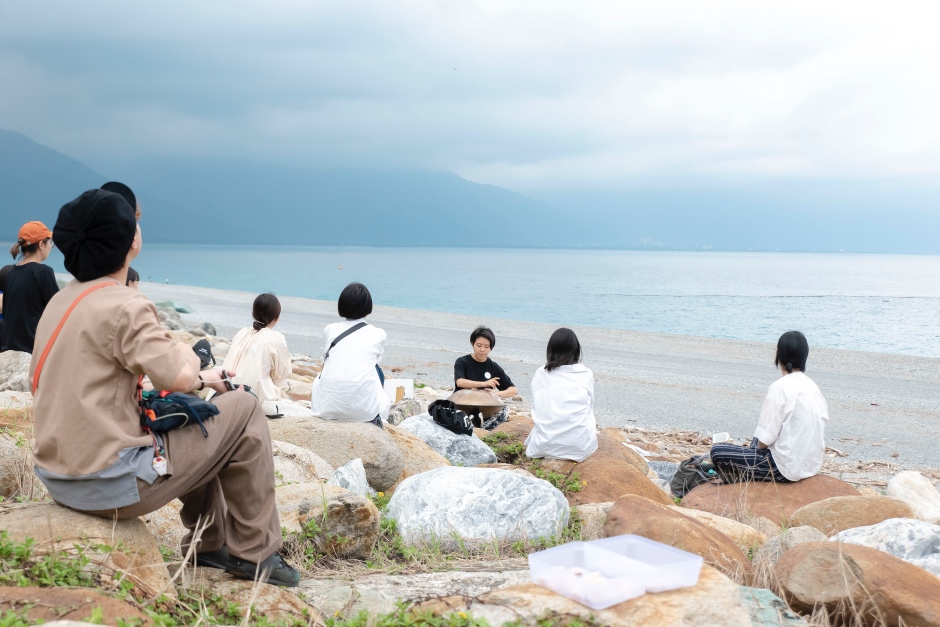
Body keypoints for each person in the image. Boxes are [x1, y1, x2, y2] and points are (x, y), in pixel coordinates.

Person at [29, 185, 299, 587]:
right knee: (241, 408)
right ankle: (256, 552)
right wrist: (193, 355)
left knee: (186, 409)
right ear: (130, 240)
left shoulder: (61, 300)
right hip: (108, 485)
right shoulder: (125, 304)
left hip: (57, 476)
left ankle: (209, 544)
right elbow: (182, 376)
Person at [710, 331, 828, 484]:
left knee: (718, 451)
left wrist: (755, 448)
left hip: (784, 469)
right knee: (755, 441)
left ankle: (739, 476)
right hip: (811, 465)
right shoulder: (812, 386)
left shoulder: (780, 387)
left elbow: (763, 442)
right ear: (804, 356)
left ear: (778, 352)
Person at [310, 282, 389, 426]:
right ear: (368, 308)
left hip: (327, 408)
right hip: (363, 411)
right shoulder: (378, 334)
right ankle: (376, 415)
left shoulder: (330, 329)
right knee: (376, 369)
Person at [222, 293, 309, 417]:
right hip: (255, 396)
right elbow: (280, 375)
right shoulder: (275, 338)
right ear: (276, 317)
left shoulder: (241, 332)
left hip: (226, 390)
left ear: (253, 312)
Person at [525, 328, 598, 462]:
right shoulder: (585, 373)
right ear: (576, 350)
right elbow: (589, 406)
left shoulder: (541, 373)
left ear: (550, 350)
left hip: (545, 445)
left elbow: (537, 406)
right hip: (579, 447)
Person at [0, 221, 59, 353]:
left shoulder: (10, 272)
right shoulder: (43, 272)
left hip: (8, 348)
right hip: (32, 350)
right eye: (50, 242)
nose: (51, 246)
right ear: (41, 244)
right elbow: (57, 311)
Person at [454, 326, 518, 429]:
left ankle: (483, 428)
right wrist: (483, 384)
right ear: (472, 344)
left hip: (484, 408)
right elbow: (460, 382)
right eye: (479, 345)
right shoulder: (462, 362)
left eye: (487, 347)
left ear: (491, 347)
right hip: (463, 405)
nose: (482, 350)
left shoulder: (493, 367)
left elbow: (513, 390)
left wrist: (496, 394)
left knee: (505, 410)